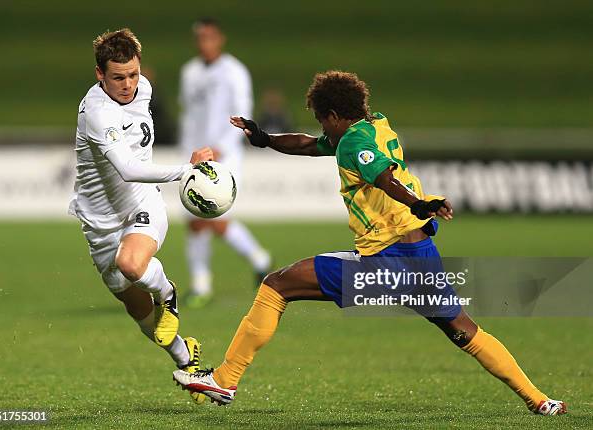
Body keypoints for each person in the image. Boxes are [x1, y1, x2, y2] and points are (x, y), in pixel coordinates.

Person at [173, 71, 567, 416]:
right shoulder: (374, 125)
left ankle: (225, 379)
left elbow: (381, 175)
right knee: (463, 329)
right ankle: (538, 399)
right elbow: (310, 145)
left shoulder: (349, 144)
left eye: (321, 120)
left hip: (387, 260)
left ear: (332, 115)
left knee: (277, 285)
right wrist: (264, 138)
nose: (320, 128)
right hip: (421, 257)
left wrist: (418, 202)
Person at [69, 28, 212, 381]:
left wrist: (182, 171)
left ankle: (168, 293)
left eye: (133, 73)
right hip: (100, 222)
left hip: (141, 204)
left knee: (132, 264)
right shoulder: (98, 114)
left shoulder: (143, 89)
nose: (128, 84)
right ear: (99, 74)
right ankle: (187, 360)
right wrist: (185, 170)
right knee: (140, 314)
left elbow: (137, 167)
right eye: (118, 77)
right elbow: (129, 168)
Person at [178, 18, 271, 308]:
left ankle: (256, 258)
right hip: (196, 154)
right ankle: (202, 284)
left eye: (209, 37)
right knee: (195, 219)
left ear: (220, 39)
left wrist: (221, 147)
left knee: (212, 218)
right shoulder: (189, 72)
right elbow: (189, 113)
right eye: (200, 38)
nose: (204, 43)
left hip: (225, 155)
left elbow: (243, 112)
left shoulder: (234, 71)